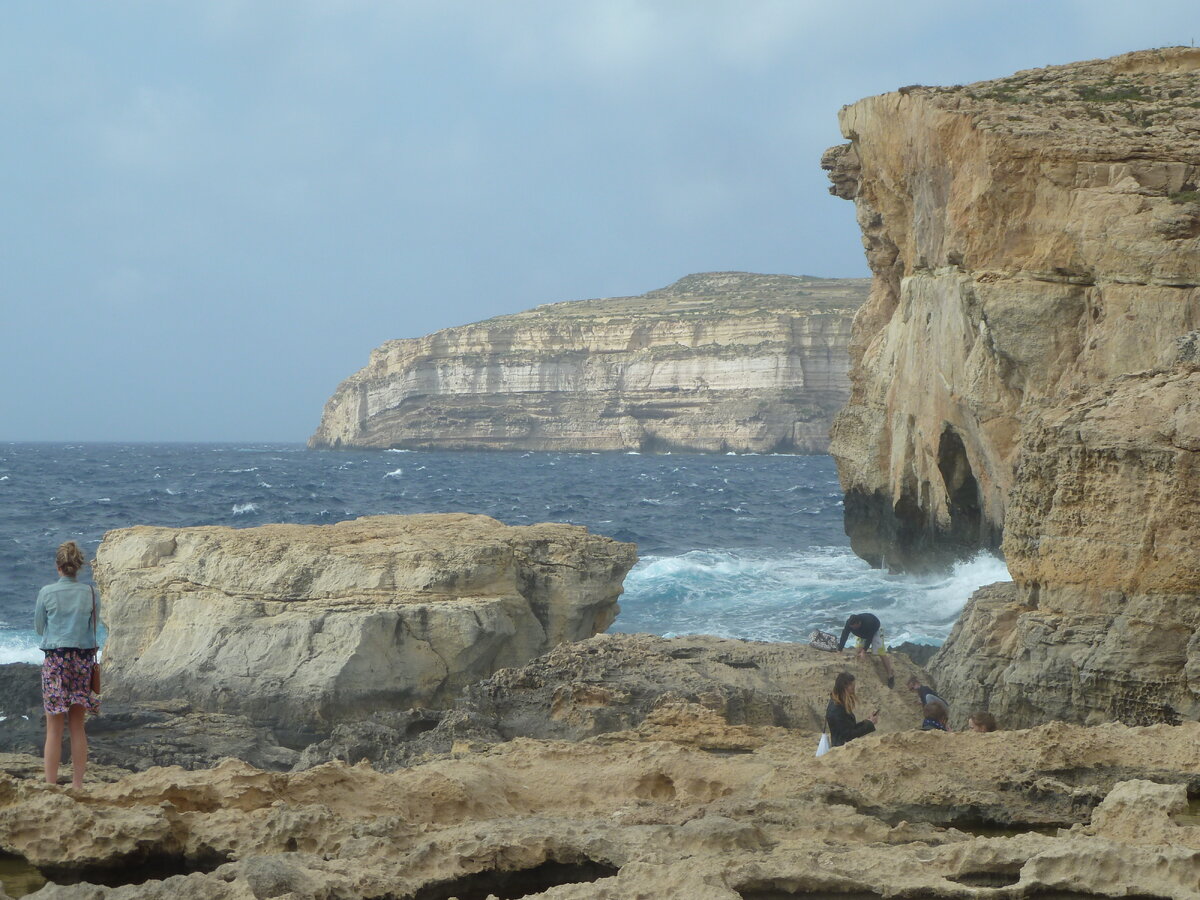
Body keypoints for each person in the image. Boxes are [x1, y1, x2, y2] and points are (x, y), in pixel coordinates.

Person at [34, 541, 101, 789]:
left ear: (58, 566)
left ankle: (50, 785)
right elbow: (93, 628)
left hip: (56, 661)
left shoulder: (47, 593)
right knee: (77, 725)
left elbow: (39, 628)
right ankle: (77, 785)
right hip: (82, 661)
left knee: (54, 727)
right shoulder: (91, 593)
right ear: (78, 566)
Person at [836, 613, 896, 688]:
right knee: (858, 651)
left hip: (875, 630)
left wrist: (864, 650)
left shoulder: (869, 622)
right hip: (861, 634)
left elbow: (870, 638)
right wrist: (840, 649)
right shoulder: (849, 623)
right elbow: (845, 634)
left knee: (881, 653)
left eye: (854, 627)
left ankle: (890, 675)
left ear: (859, 623)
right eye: (852, 628)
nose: (853, 629)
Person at [825, 671, 878, 747]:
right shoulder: (836, 709)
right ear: (845, 687)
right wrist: (869, 724)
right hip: (841, 749)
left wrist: (868, 722)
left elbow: (849, 728)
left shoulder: (838, 704)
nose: (853, 689)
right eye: (852, 686)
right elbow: (847, 736)